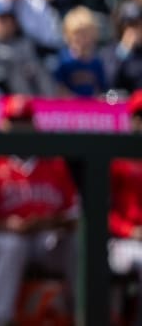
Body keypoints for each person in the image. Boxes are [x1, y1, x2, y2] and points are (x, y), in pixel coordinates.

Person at [0, 95, 80, 326]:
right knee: (11, 244)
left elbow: (74, 216)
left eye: (25, 121)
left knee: (76, 243)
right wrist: (7, 226)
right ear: (3, 124)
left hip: (40, 238)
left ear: (34, 125)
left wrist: (44, 222)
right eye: (14, 121)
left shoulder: (53, 163)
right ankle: (0, 320)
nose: (20, 127)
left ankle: (84, 314)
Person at [108, 90, 142, 326]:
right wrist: (129, 231)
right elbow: (99, 210)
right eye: (140, 116)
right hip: (122, 240)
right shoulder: (116, 158)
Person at [53, 5, 108, 98]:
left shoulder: (97, 62)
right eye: (77, 34)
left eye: (86, 34)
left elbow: (99, 89)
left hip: (92, 109)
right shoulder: (63, 61)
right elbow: (59, 88)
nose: (82, 39)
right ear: (68, 35)